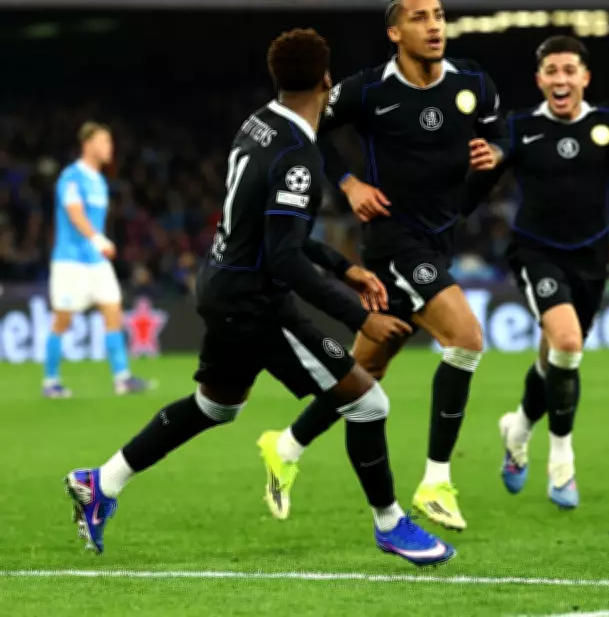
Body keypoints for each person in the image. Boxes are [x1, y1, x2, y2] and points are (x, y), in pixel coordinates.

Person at [63, 28, 455, 567]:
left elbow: (269, 230)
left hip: (223, 283)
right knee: (368, 403)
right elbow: (284, 258)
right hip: (255, 301)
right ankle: (390, 525)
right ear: (327, 80)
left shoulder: (259, 123)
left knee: (215, 406)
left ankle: (100, 482)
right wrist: (359, 318)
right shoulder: (298, 155)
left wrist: (344, 267)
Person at [257, 0, 508, 532]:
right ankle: (436, 482)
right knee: (465, 339)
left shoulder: (472, 82)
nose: (434, 26)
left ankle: (286, 445)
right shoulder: (369, 89)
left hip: (438, 240)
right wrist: (348, 182)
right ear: (395, 32)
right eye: (419, 18)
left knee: (363, 374)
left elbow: (500, 135)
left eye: (439, 16)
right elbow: (304, 127)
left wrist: (495, 152)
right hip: (395, 241)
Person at [462, 35, 609, 509]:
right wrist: (442, 217)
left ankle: (517, 430)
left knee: (553, 358)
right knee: (568, 344)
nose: (561, 79)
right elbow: (487, 170)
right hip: (536, 252)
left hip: (591, 257)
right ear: (539, 80)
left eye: (569, 70)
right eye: (551, 71)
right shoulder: (522, 126)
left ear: (585, 77)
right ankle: (562, 465)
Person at [44, 122, 151, 398]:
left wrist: (98, 245)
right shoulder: (71, 177)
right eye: (104, 142)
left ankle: (122, 378)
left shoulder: (100, 181)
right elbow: (74, 213)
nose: (109, 148)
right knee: (62, 320)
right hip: (70, 262)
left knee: (113, 311)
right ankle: (51, 381)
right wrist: (98, 239)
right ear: (88, 143)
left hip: (96, 263)